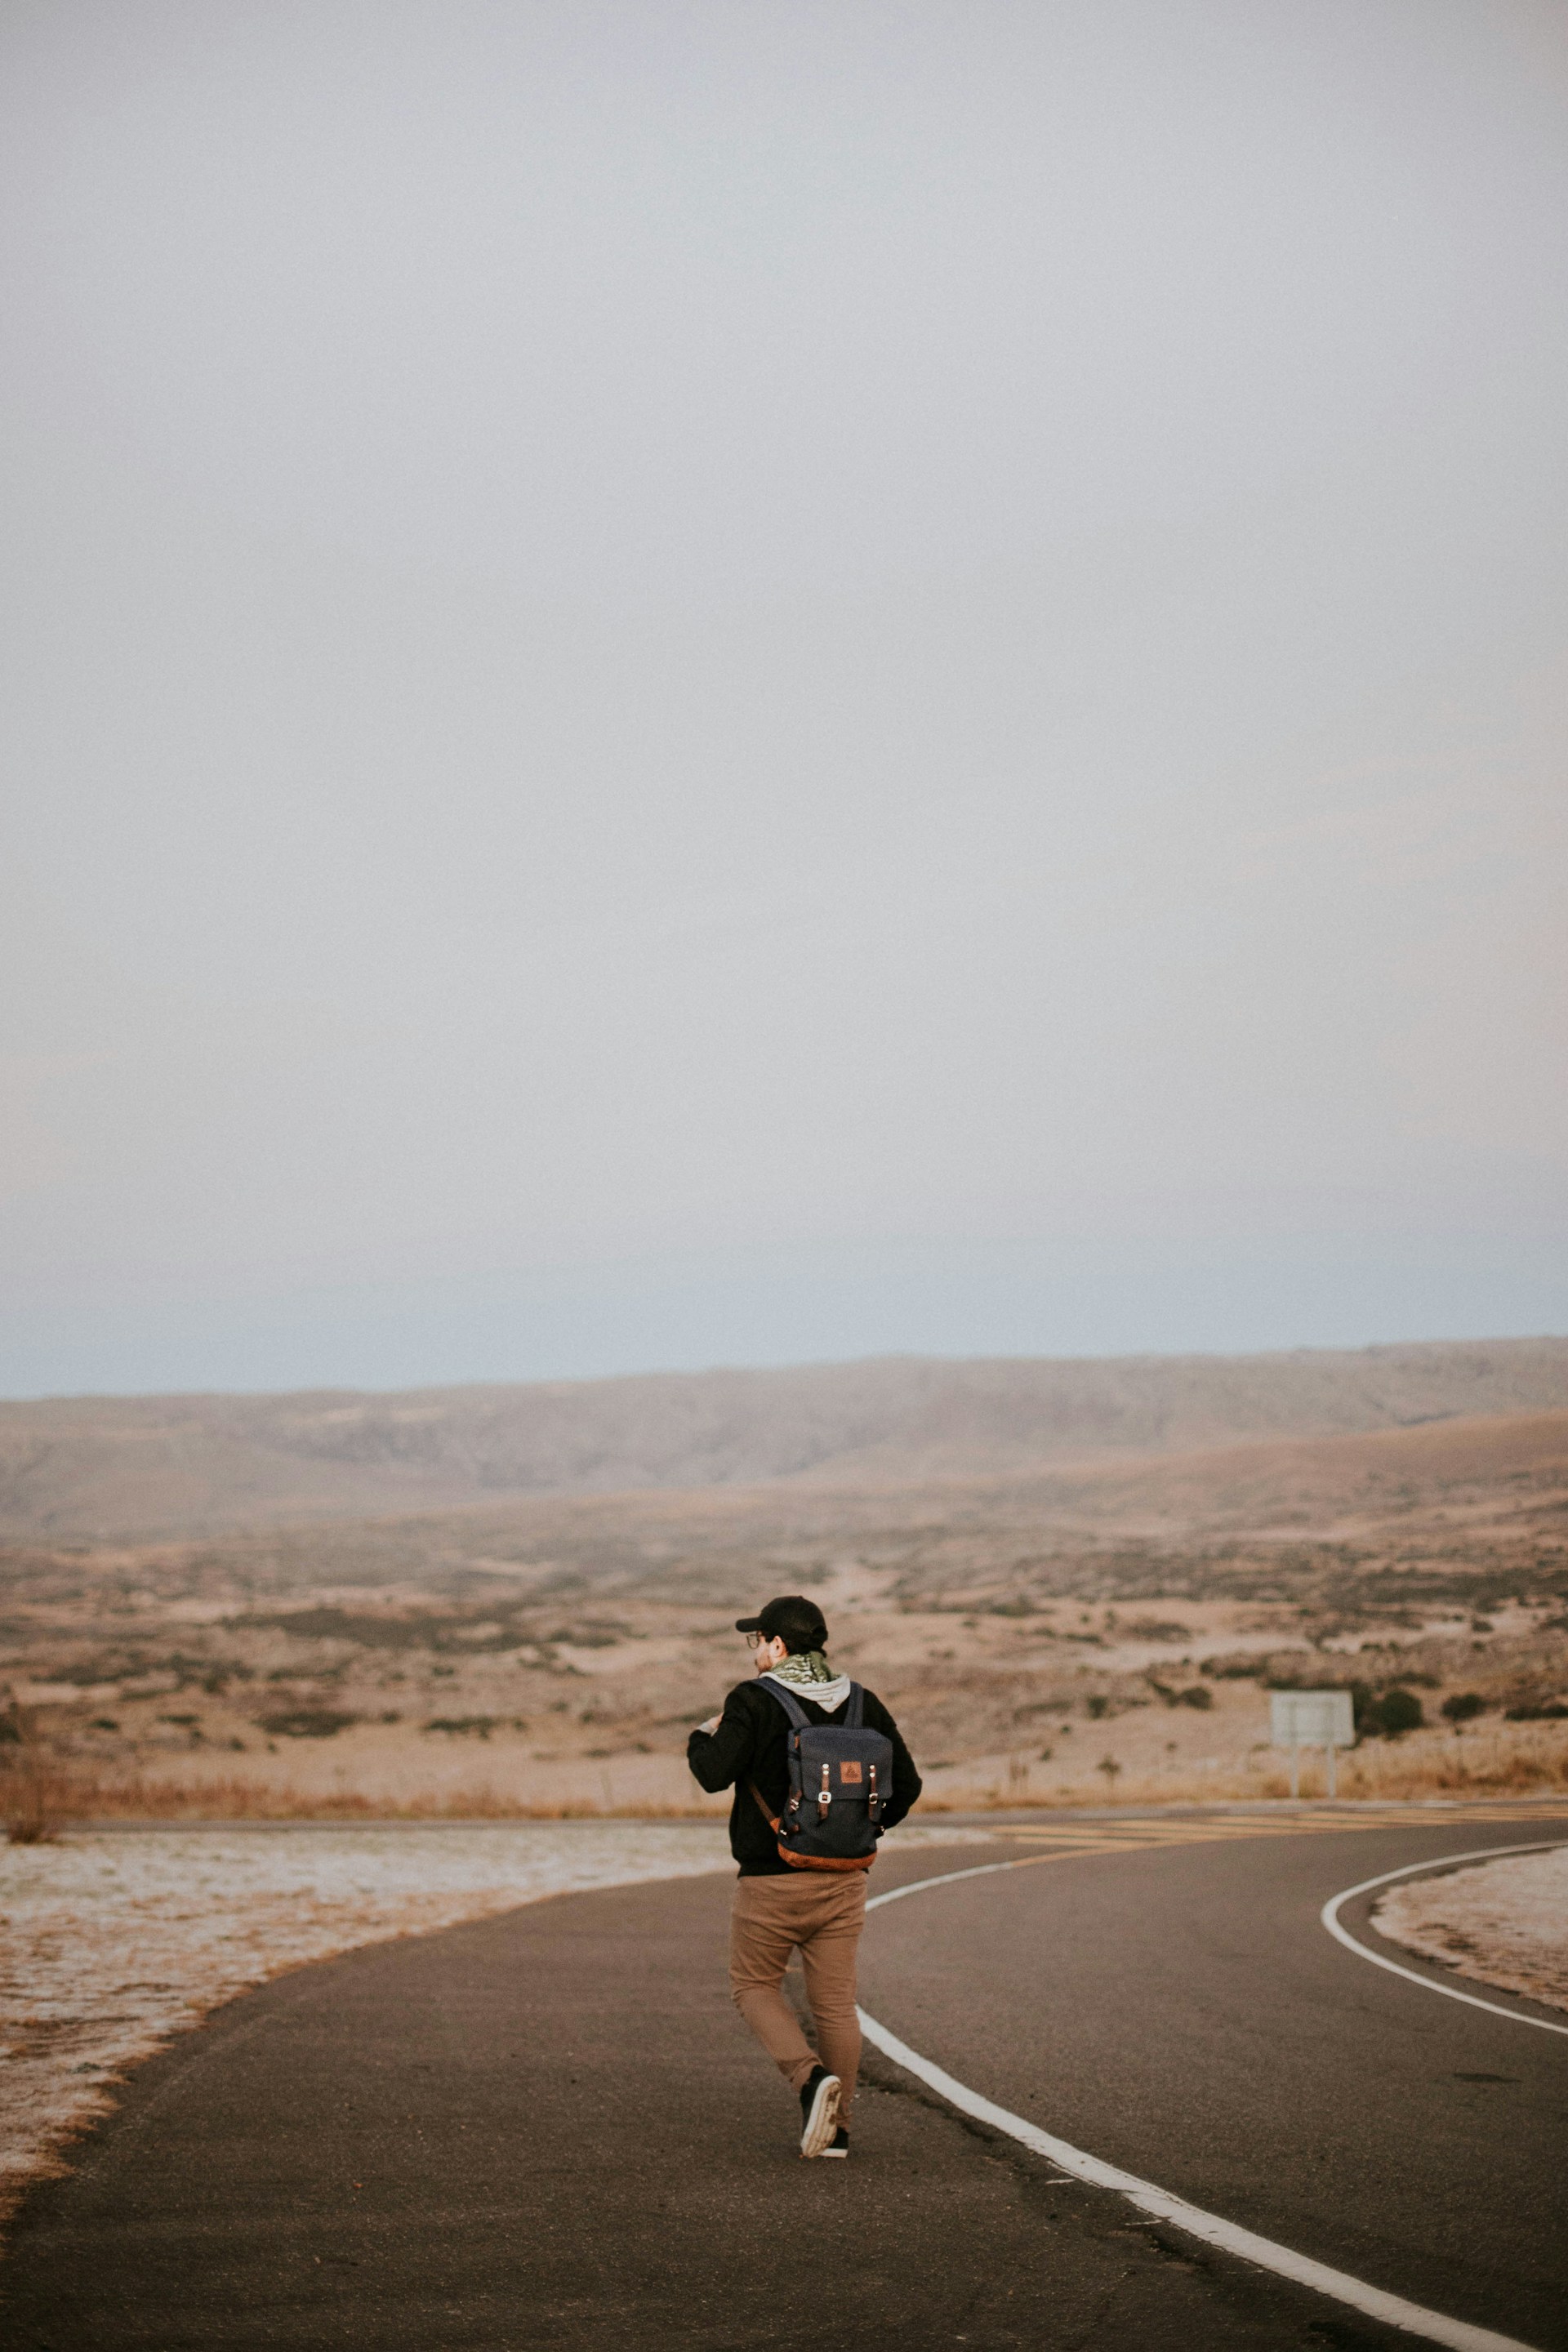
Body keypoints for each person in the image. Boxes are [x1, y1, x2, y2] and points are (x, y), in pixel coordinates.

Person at [688, 1593, 922, 2159]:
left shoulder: (753, 1700)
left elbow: (713, 1774)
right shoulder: (864, 1703)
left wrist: (702, 1734)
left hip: (771, 1879)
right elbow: (907, 1786)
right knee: (836, 2007)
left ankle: (810, 2079)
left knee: (754, 1986)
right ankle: (837, 2131)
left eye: (758, 1641)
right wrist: (861, 1831)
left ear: (778, 1644)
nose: (755, 1652)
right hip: (845, 1879)